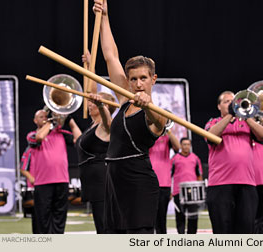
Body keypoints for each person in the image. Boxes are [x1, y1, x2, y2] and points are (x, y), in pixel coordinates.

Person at [94, 0, 167, 234]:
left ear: (153, 79)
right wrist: (105, 17)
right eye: (133, 79)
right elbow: (110, 56)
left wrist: (148, 106)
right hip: (114, 182)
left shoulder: (157, 113)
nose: (137, 84)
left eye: (143, 78)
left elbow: (159, 123)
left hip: (138, 183)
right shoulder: (125, 100)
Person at [204, 90, 263, 234]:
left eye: (233, 101)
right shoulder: (213, 122)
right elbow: (210, 136)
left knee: (245, 231)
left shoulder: (246, 123)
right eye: (227, 101)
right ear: (219, 106)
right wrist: (230, 115)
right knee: (222, 232)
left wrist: (248, 117)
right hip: (220, 185)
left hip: (247, 184)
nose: (232, 104)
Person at [71, 51, 117, 234]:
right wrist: (89, 67)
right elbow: (91, 92)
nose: (89, 103)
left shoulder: (106, 126)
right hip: (93, 182)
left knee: (106, 228)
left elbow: (108, 121)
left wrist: (101, 105)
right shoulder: (92, 125)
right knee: (101, 226)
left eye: (95, 103)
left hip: (103, 182)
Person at [26, 109, 79, 234]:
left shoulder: (60, 133)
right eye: (41, 117)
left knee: (60, 215)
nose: (45, 118)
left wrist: (70, 121)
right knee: (43, 216)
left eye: (46, 116)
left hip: (62, 180)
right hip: (43, 183)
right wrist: (50, 123)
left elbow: (79, 139)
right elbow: (39, 137)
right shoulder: (31, 135)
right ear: (35, 120)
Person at [149, 126, 180, 234]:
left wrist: (168, 130)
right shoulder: (148, 135)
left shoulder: (167, 137)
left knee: (162, 219)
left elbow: (177, 147)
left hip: (164, 184)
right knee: (148, 218)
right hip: (149, 183)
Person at [171, 137, 202, 234]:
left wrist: (199, 191)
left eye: (188, 144)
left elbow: (199, 175)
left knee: (193, 217)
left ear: (190, 146)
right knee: (180, 217)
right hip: (178, 192)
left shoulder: (195, 158)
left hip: (192, 192)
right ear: (180, 145)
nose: (186, 146)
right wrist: (170, 192)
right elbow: (169, 175)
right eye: (184, 144)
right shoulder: (175, 159)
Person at [19, 146, 39, 234]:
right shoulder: (30, 149)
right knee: (38, 218)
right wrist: (31, 178)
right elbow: (23, 168)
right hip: (35, 188)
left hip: (49, 185)